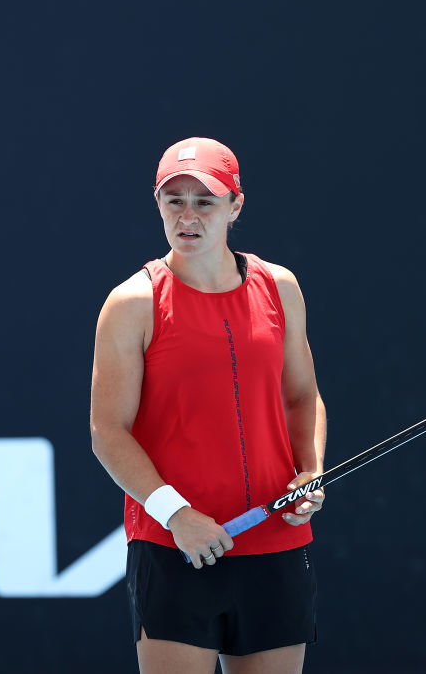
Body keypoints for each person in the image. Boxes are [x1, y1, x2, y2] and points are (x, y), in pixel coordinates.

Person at [90, 137, 326, 674]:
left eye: (205, 201)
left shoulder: (280, 287)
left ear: (235, 206)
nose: (188, 216)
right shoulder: (132, 302)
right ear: (158, 204)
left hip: (275, 540)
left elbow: (302, 396)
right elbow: (108, 431)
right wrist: (177, 516)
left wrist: (308, 473)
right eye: (175, 200)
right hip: (178, 548)